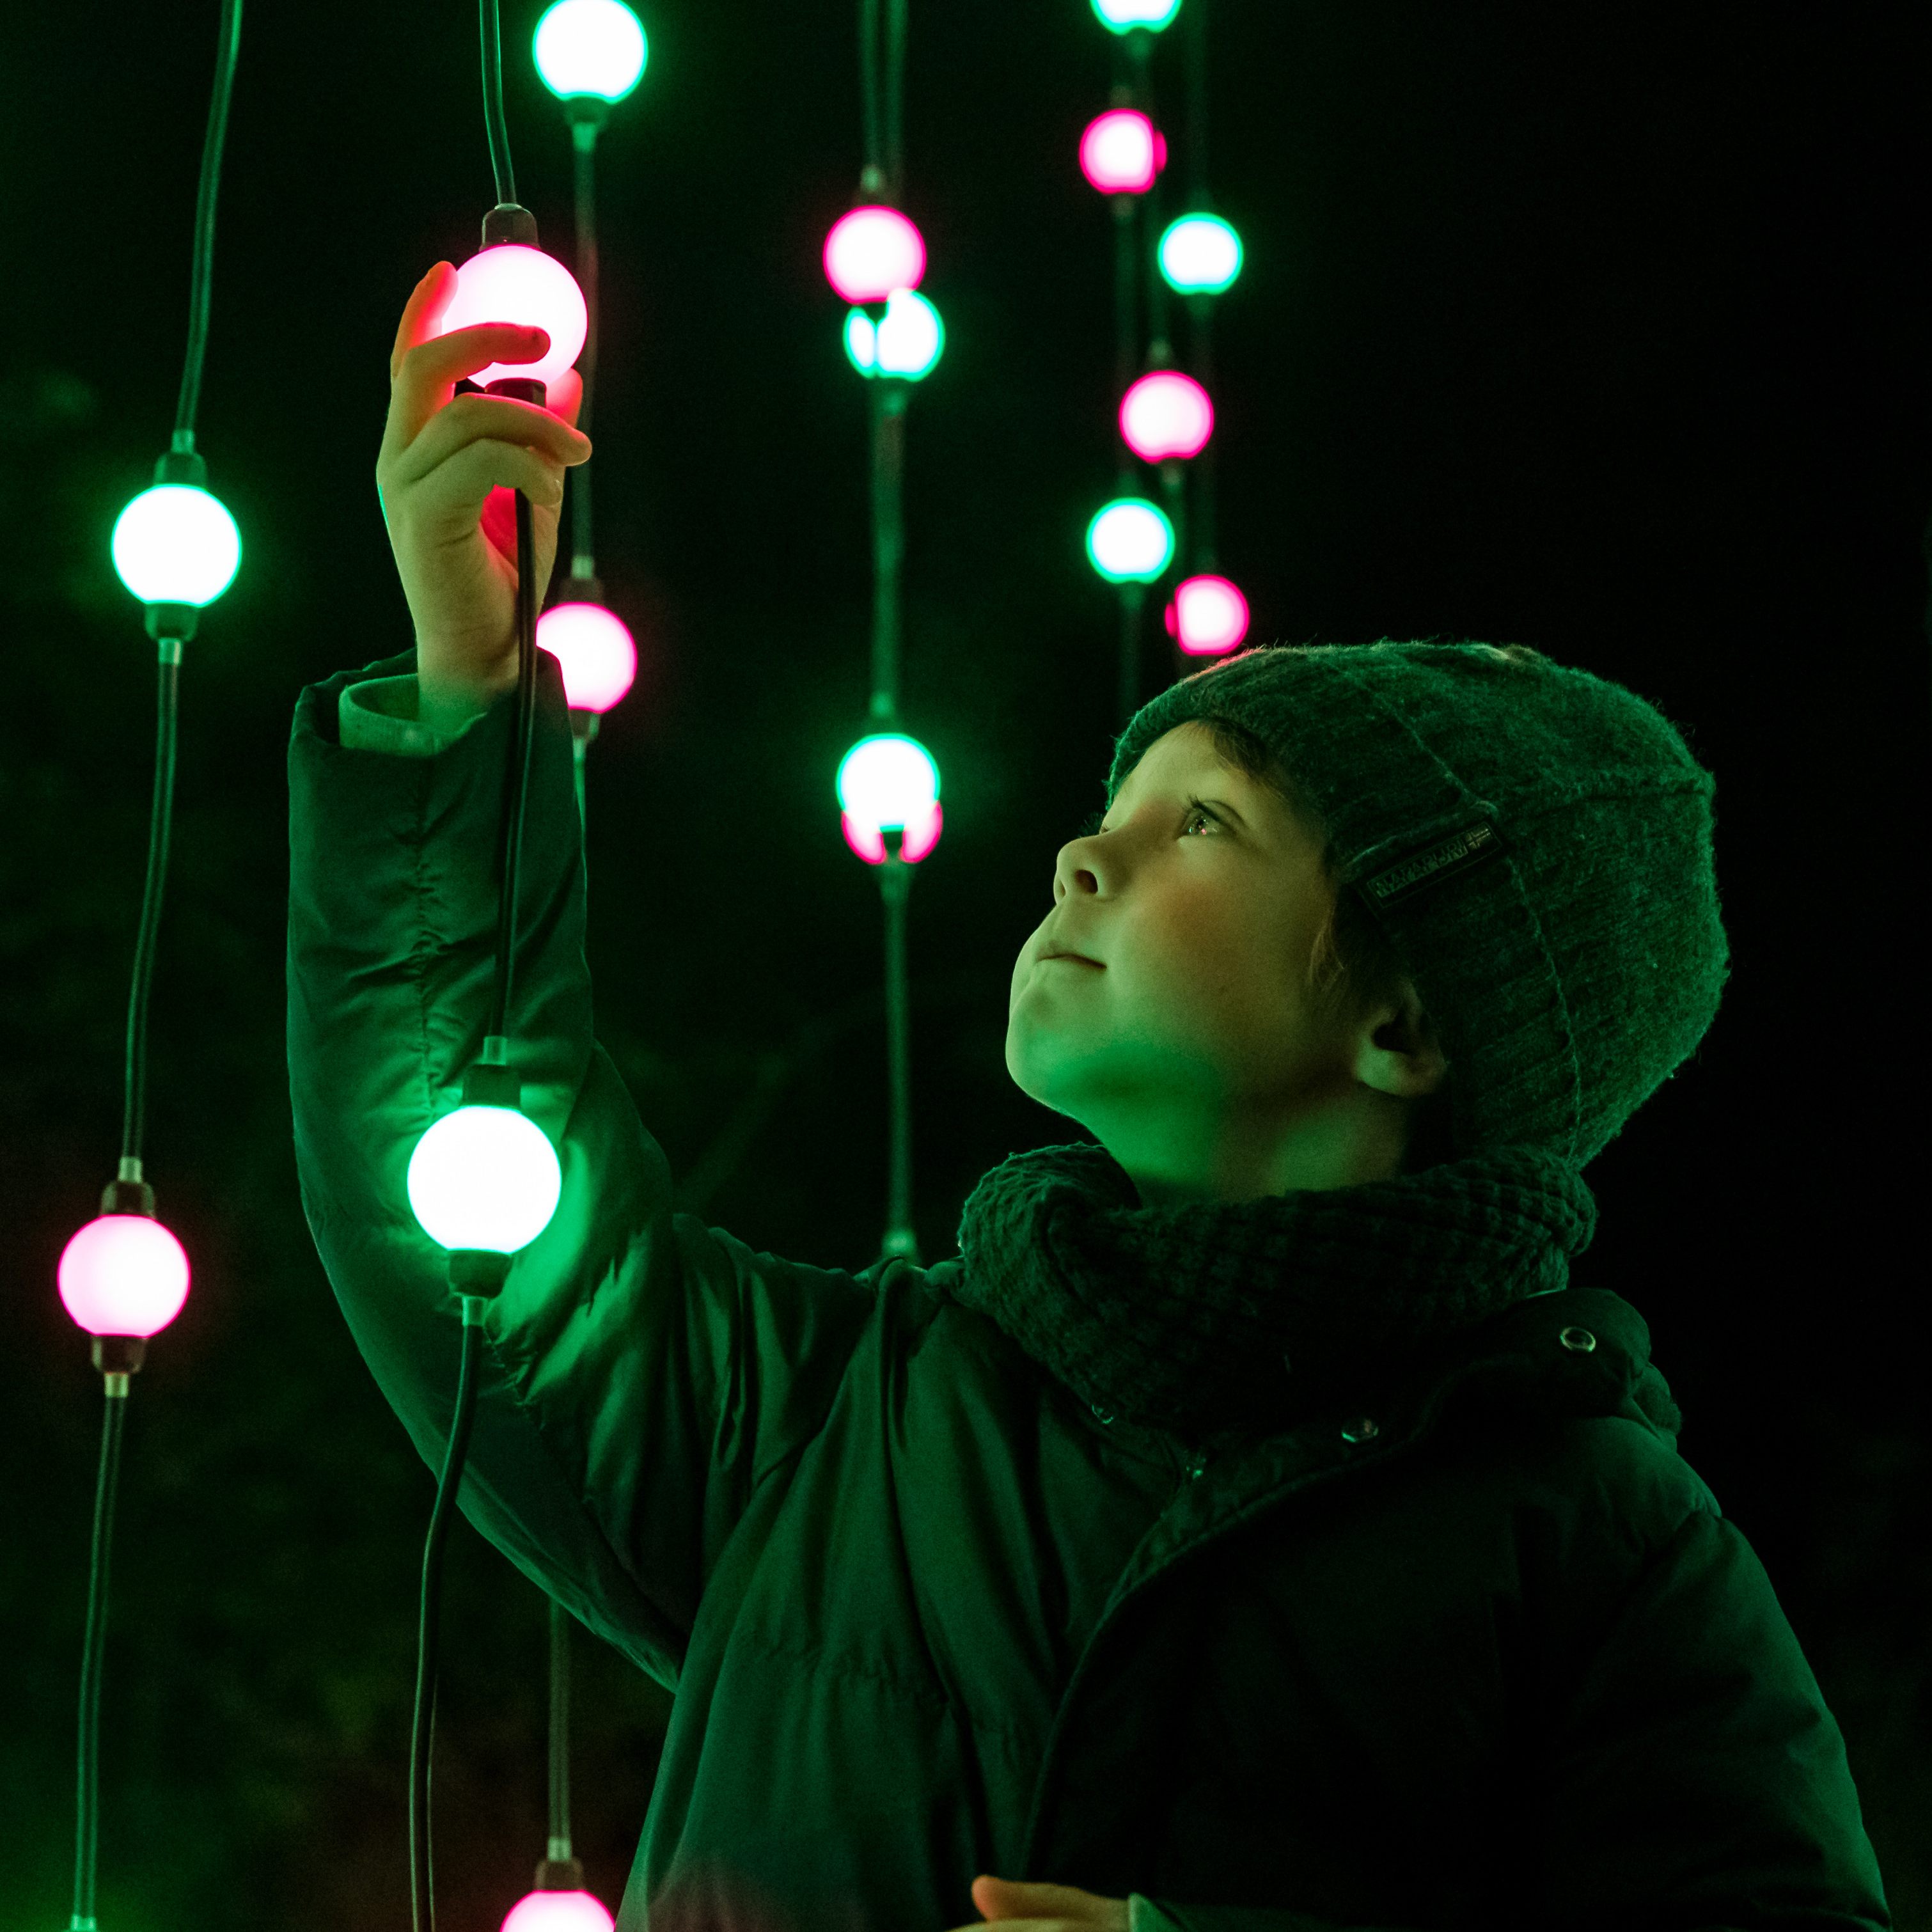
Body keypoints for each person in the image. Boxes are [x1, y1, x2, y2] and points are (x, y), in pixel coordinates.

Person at [284, 265, 1895, 1932]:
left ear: (1412, 1024)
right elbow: (468, 1192)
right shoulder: (846, 1417)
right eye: (1116, 800)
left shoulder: (1593, 1548)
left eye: (1206, 826)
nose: (1083, 852)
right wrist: (467, 700)